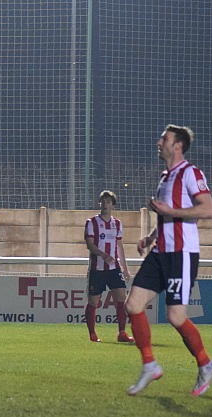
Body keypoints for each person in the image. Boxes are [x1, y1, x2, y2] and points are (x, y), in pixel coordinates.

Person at [125, 124, 212, 396]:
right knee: (133, 305)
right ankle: (149, 364)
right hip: (160, 252)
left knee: (176, 316)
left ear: (178, 146)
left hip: (181, 254)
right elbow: (167, 214)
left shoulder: (190, 173)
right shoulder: (165, 176)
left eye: (165, 138)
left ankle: (205, 365)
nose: (159, 141)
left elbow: (207, 208)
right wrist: (151, 237)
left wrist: (171, 211)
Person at [83, 190, 133, 343]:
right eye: (103, 201)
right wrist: (103, 255)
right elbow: (90, 245)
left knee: (121, 296)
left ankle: (122, 333)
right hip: (97, 269)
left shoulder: (117, 223)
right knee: (94, 301)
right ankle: (92, 333)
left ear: (113, 205)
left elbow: (119, 245)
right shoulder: (91, 222)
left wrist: (124, 268)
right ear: (100, 203)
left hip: (114, 268)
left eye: (108, 202)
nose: (105, 204)